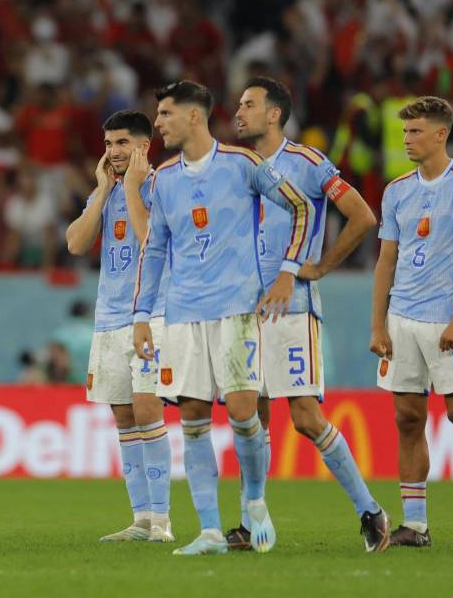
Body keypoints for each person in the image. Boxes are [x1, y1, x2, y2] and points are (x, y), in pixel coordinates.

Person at [131, 80, 315, 556]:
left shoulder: (243, 164)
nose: (158, 124)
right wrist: (141, 315)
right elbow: (154, 250)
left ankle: (254, 501)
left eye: (166, 114)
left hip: (236, 310)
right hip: (183, 314)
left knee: (241, 412)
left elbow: (300, 208)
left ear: (195, 117)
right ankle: (210, 531)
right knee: (191, 418)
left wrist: (288, 271)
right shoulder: (162, 179)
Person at [234, 76, 390, 552]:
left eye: (249, 104)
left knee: (303, 416)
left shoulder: (308, 163)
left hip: (292, 305)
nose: (238, 112)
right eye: (238, 104)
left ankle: (371, 512)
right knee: (249, 414)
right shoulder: (236, 166)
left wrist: (320, 266)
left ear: (275, 113)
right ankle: (251, 520)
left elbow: (363, 216)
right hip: (243, 306)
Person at [370, 97, 453, 549]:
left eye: (415, 132)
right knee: (407, 419)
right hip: (401, 322)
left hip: (447, 322)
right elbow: (386, 260)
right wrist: (377, 326)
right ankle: (415, 524)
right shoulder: (396, 189)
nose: (406, 139)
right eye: (404, 132)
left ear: (440, 135)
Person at [65, 110, 173, 543]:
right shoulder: (106, 191)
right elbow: (75, 243)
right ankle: (141, 519)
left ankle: (163, 521)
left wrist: (129, 187)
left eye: (123, 143)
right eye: (109, 143)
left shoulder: (161, 186)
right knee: (123, 414)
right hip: (107, 318)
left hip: (149, 315)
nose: (113, 151)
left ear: (145, 146)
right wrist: (103, 187)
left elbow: (151, 242)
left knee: (148, 409)